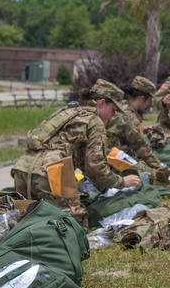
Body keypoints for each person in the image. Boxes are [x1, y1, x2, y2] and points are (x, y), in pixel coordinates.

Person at [12, 80, 141, 230]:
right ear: (101, 103)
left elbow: (82, 161)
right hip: (49, 173)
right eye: (113, 110)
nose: (113, 116)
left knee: (24, 219)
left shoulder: (70, 112)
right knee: (77, 223)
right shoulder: (95, 122)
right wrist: (122, 182)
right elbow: (96, 167)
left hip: (22, 169)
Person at [106, 76, 163, 173]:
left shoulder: (122, 106)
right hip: (115, 162)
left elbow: (123, 131)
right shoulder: (130, 118)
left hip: (108, 156)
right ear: (142, 98)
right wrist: (160, 167)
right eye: (149, 101)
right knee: (153, 175)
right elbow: (142, 148)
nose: (149, 104)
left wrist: (143, 129)